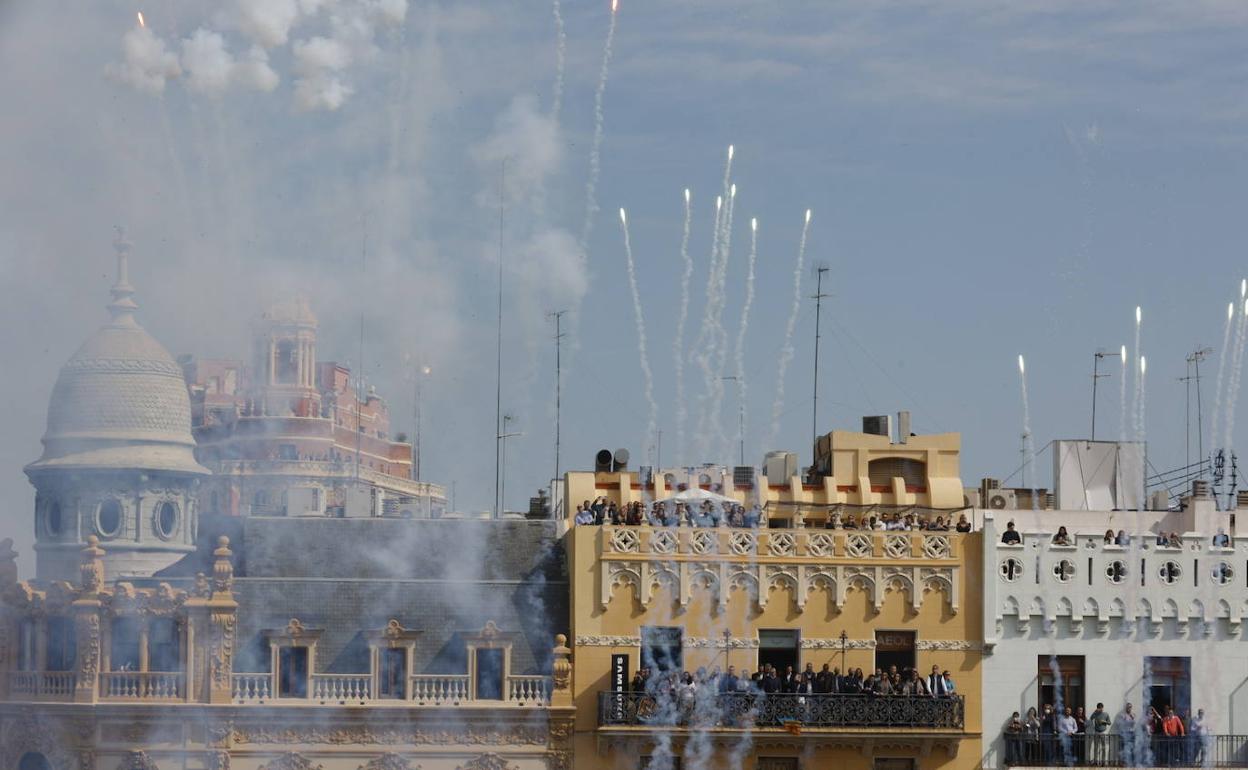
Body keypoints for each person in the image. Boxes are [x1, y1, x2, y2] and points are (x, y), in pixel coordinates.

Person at [1089, 702, 1112, 766]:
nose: (1100, 709)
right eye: (1099, 708)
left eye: (1101, 708)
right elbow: (1091, 718)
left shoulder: (1106, 714)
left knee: (1104, 747)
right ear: (1097, 708)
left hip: (1103, 732)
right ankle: (1096, 761)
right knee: (1095, 747)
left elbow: (1109, 723)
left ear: (1103, 708)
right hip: (1096, 732)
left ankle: (1103, 762)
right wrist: (1094, 712)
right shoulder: (1095, 714)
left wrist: (1104, 722)